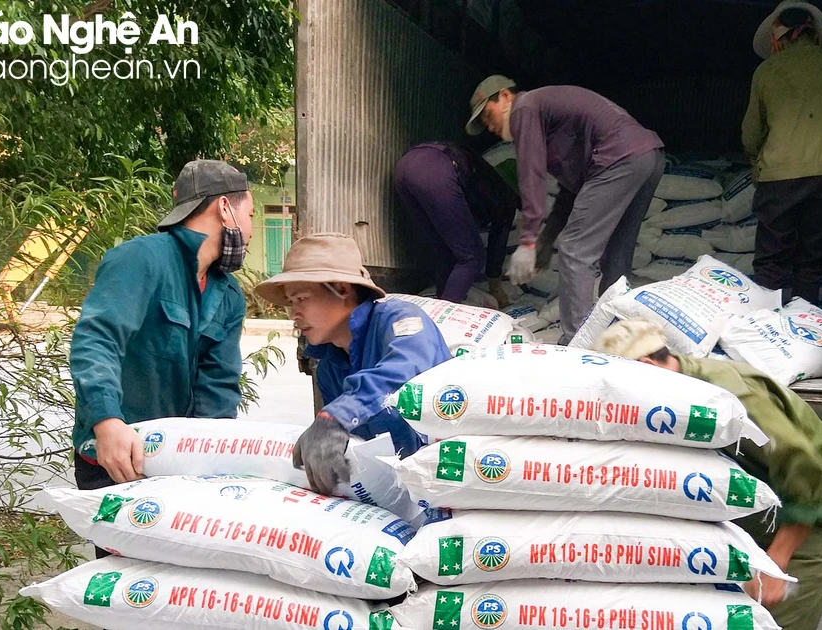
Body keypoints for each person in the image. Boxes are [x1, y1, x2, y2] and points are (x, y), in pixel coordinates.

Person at [594, 319, 822, 630]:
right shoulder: (671, 396)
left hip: (820, 503)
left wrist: (775, 563)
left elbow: (809, 473)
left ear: (645, 366)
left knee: (771, 619)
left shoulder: (728, 396)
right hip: (761, 499)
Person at [70, 159, 254, 555]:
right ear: (225, 208)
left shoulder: (229, 294)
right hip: (117, 459)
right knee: (129, 592)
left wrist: (213, 464)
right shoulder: (140, 260)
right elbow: (96, 339)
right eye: (251, 214)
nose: (252, 230)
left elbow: (218, 386)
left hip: (180, 469)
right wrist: (107, 422)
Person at [466, 75, 665, 343]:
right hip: (647, 157)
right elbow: (571, 191)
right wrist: (545, 242)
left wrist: (527, 241)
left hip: (619, 158)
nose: (488, 126)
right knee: (617, 254)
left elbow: (531, 174)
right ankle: (618, 334)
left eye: (487, 114)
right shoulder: (549, 120)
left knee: (575, 251)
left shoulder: (524, 108)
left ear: (504, 97)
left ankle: (578, 342)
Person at [254, 233, 450, 494]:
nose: (294, 314)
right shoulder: (328, 370)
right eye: (291, 303)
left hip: (451, 476)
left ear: (342, 289)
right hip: (397, 494)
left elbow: (407, 367)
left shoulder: (399, 318)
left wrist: (336, 416)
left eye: (301, 299)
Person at [742, 1, 822, 303]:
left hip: (779, 177)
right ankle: (803, 328)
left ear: (779, 37)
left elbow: (750, 133)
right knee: (811, 262)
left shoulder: (767, 70)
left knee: (771, 260)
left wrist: (755, 164)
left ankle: (765, 328)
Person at [393, 142, 519, 308]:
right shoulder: (506, 198)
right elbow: (497, 245)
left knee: (443, 251)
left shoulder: (486, 176)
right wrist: (495, 287)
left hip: (405, 167)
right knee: (472, 257)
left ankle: (442, 299)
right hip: (437, 170)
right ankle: (444, 317)